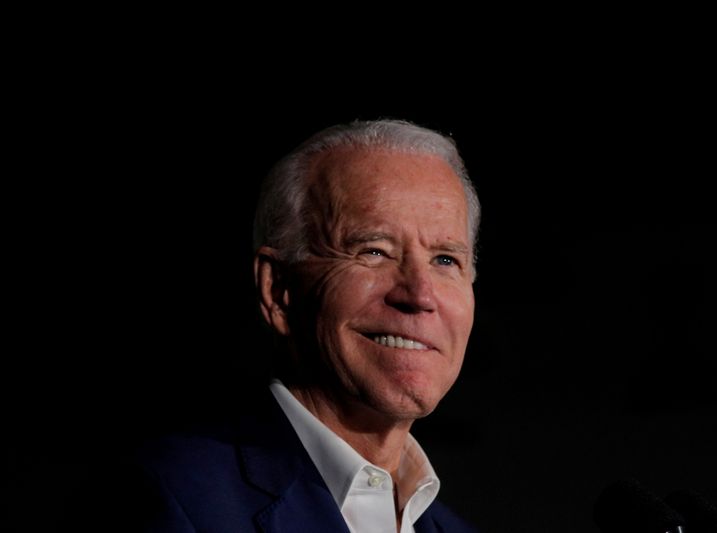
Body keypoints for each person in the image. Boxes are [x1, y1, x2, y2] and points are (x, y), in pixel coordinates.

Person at [129, 119, 481, 532]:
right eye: (374, 251)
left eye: (445, 260)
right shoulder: (171, 500)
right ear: (278, 289)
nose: (420, 295)